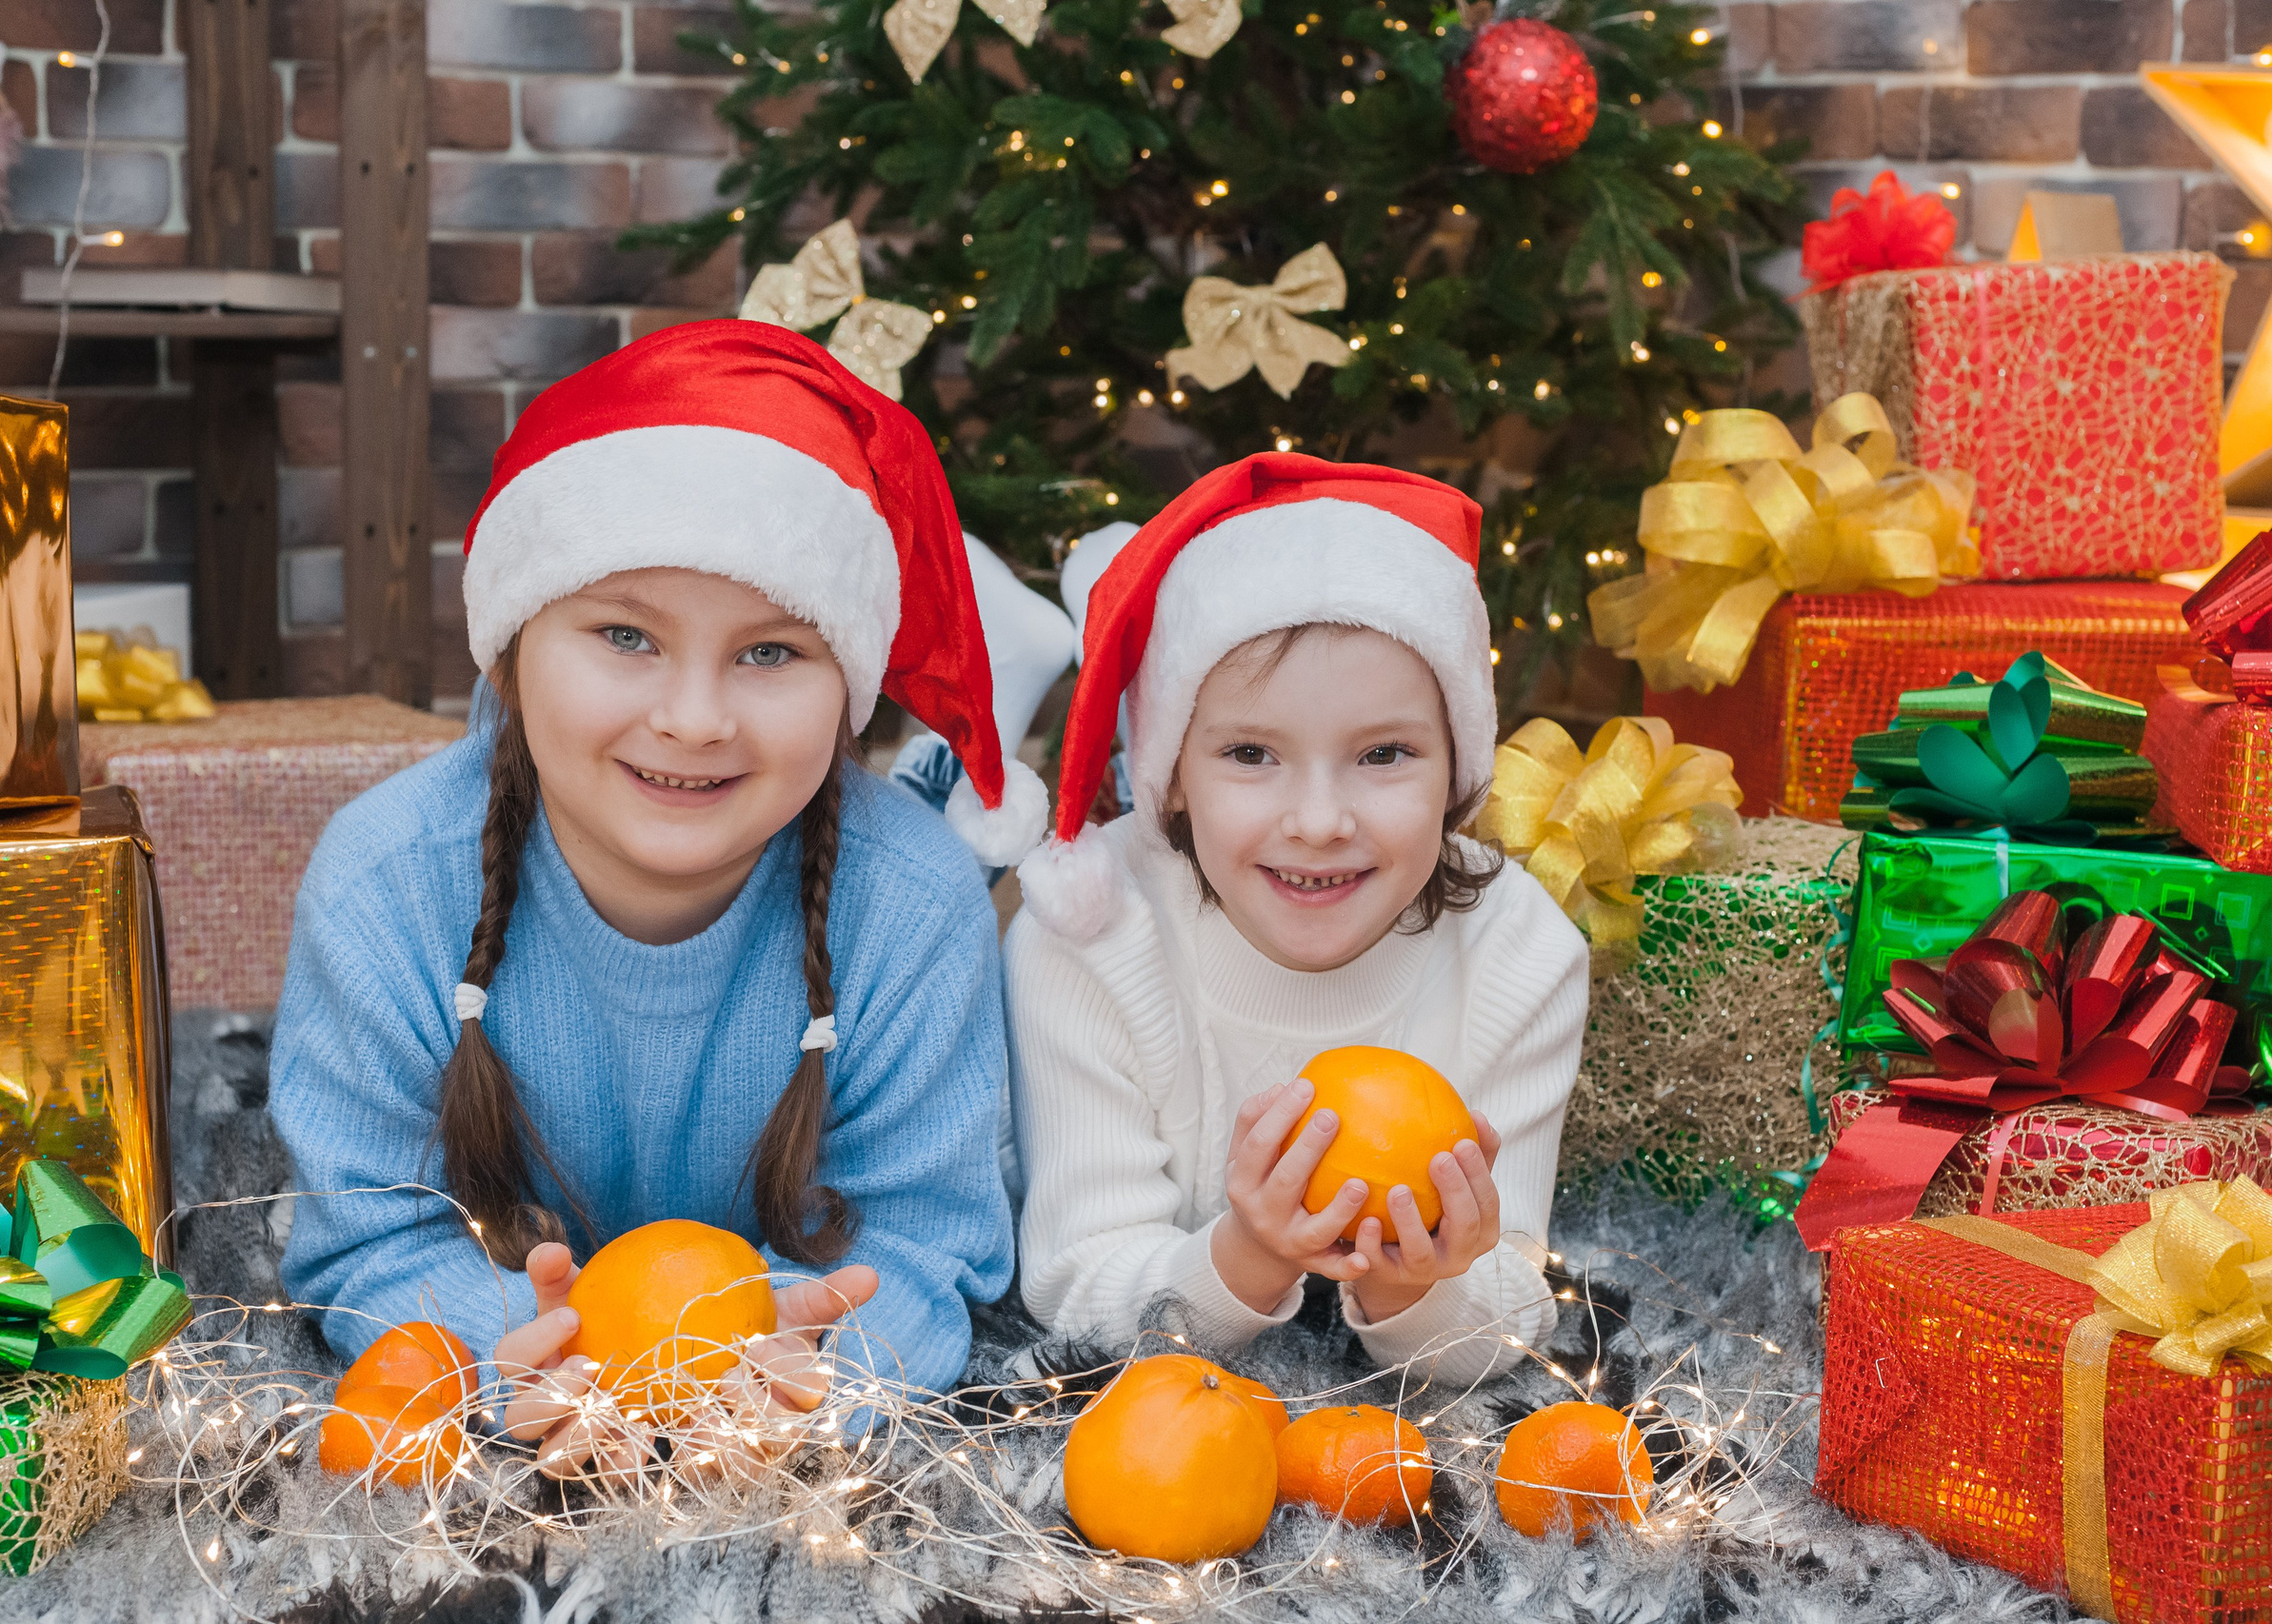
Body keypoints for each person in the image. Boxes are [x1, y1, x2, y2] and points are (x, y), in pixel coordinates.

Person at [271, 322, 1044, 1469]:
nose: (694, 718)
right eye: (625, 634)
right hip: (519, 1381)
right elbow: (366, 1238)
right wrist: (531, 1352)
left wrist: (794, 1369)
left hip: (782, 1383)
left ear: (851, 690)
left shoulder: (912, 904)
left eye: (771, 652)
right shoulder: (387, 882)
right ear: (509, 651)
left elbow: (929, 1246)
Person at [1004, 454, 1586, 1385]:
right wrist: (1248, 1252)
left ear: (1457, 771)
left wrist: (1422, 1287)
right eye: (1250, 753)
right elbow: (1079, 1284)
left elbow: (1509, 1311)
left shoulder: (1518, 952)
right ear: (1173, 774)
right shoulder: (1093, 939)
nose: (1318, 820)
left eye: (1384, 752)